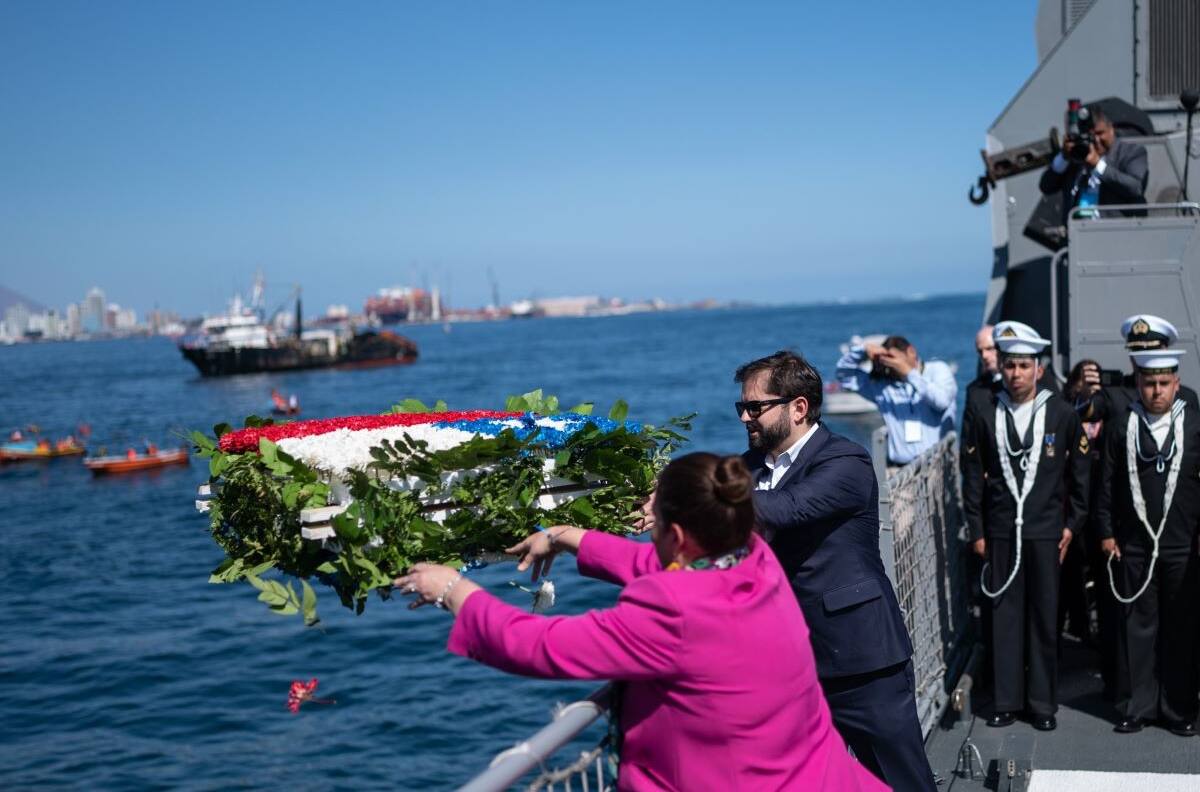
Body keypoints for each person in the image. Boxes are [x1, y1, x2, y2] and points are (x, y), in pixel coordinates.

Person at [394, 453, 889, 792]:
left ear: (674, 533)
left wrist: (451, 589)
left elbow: (539, 644)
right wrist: (566, 536)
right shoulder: (753, 560)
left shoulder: (675, 611)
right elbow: (656, 567)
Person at [736, 350, 935, 792]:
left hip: (862, 661)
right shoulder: (744, 470)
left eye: (755, 407)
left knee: (898, 779)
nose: (746, 418)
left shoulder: (846, 461)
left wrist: (695, 497)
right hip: (787, 665)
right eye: (742, 408)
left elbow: (785, 509)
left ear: (799, 407)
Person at [961, 321, 1091, 731]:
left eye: (1023, 365)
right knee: (1003, 617)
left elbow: (1080, 475)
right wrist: (977, 529)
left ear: (1038, 368)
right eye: (1009, 365)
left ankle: (1042, 704)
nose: (1015, 373)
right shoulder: (984, 410)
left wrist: (1072, 525)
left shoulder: (1061, 413)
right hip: (1000, 531)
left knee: (1042, 618)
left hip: (1045, 532)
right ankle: (1005, 700)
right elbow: (971, 473)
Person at [1095, 348, 1200, 737]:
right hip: (1135, 543)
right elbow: (1105, 483)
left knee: (1181, 628)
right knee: (1137, 629)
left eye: (1163, 383)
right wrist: (1106, 532)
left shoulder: (1194, 423)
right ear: (1138, 383)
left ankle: (1179, 707)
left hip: (1182, 543)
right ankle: (1137, 705)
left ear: (1176, 383)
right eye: (1149, 383)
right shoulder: (1123, 425)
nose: (1156, 391)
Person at [836, 335, 957, 466]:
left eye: (893, 358)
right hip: (901, 469)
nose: (891, 364)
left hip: (936, 465)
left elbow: (942, 401)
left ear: (911, 352)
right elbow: (844, 375)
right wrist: (863, 351)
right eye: (887, 360)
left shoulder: (937, 370)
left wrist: (910, 374)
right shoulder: (882, 387)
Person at [1075, 314, 1199, 423]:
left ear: (1164, 351)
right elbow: (1083, 415)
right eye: (1136, 352)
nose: (1141, 358)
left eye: (1150, 351)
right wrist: (1085, 397)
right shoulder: (1113, 393)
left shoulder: (1185, 397)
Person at [1039, 104, 1148, 225]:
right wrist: (1064, 157)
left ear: (1111, 129)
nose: (1096, 140)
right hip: (1077, 233)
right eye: (1090, 136)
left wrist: (1098, 166)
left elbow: (1135, 188)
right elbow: (1046, 186)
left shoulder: (1131, 152)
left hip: (1113, 232)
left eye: (1100, 133)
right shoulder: (1077, 156)